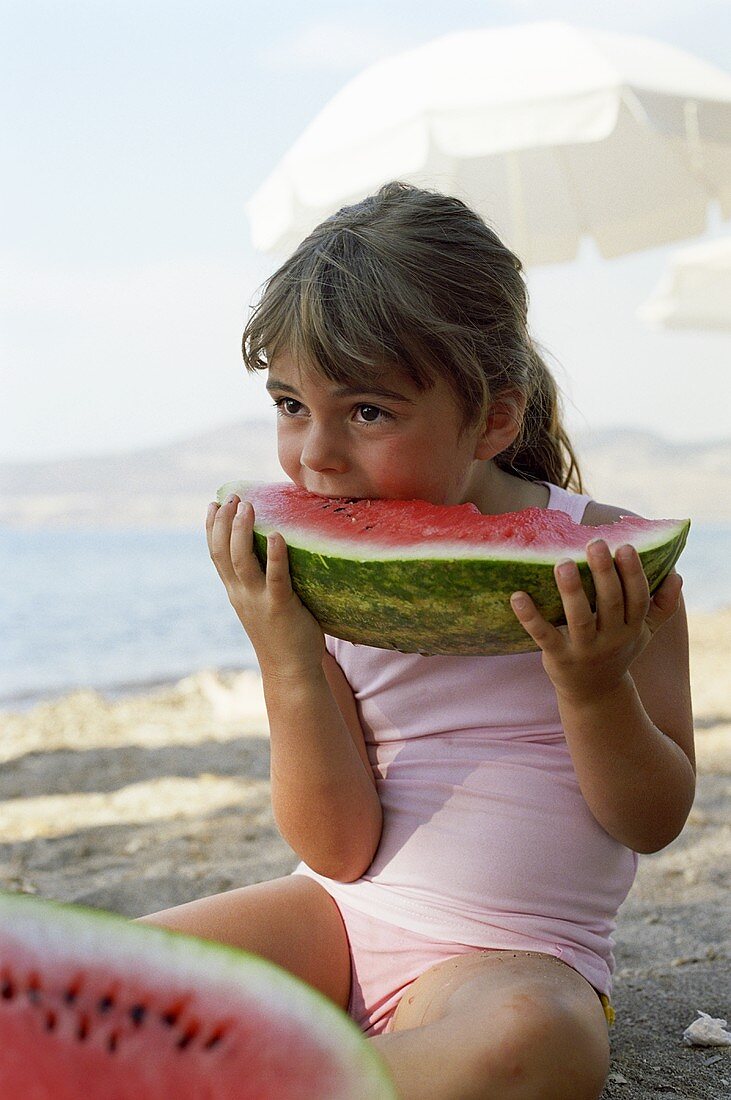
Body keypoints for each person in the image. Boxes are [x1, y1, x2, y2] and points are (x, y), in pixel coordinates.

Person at [137, 181, 695, 1099]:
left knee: (541, 1038)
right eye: (288, 404)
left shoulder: (609, 561)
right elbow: (338, 850)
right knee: (51, 982)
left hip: (508, 963)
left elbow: (653, 820)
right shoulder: (323, 577)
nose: (315, 454)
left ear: (493, 418)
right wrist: (289, 660)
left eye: (367, 412)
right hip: (332, 919)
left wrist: (595, 690)